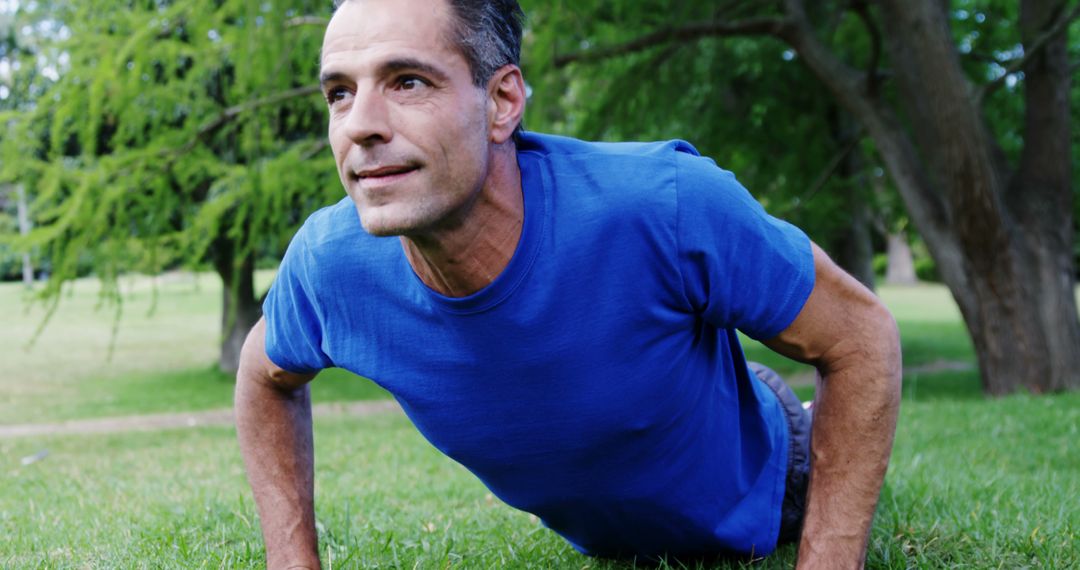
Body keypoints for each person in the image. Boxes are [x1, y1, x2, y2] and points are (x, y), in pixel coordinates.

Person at [234, 0, 902, 568]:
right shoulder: (330, 262)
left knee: (776, 419)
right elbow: (262, 374)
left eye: (407, 82)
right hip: (631, 443)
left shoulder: (663, 205)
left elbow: (862, 336)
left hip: (771, 460)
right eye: (339, 92)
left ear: (502, 102)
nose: (360, 125)